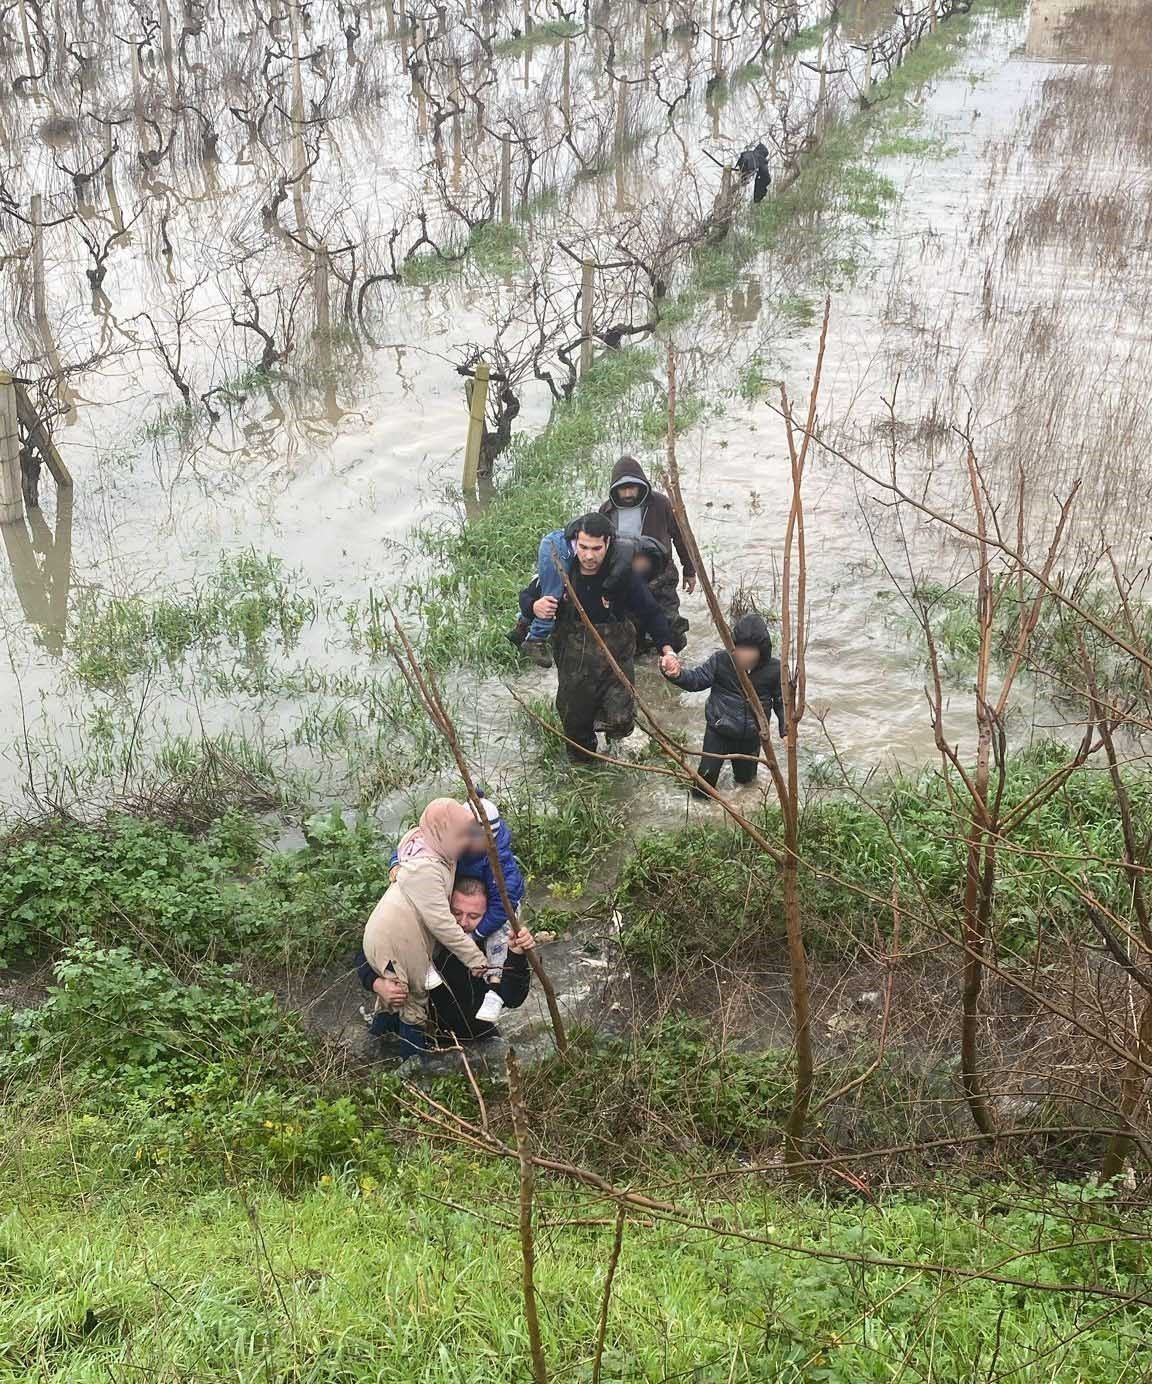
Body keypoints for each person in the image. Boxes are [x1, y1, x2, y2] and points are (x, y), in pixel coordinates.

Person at [517, 513, 680, 762]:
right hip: (574, 665)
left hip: (615, 662)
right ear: (575, 543)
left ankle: (616, 753)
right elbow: (526, 597)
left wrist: (667, 651)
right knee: (576, 730)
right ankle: (585, 771)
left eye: (596, 548)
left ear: (608, 543)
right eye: (583, 547)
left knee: (621, 720)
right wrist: (534, 606)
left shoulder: (622, 575)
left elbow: (651, 612)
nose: (589, 556)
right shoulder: (562, 569)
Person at [361, 799, 488, 1055]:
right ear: (440, 833)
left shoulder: (422, 847)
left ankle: (374, 1048)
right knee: (413, 1001)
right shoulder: (425, 870)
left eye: (469, 834)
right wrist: (475, 959)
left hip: (388, 935)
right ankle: (413, 1065)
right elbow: (443, 924)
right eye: (460, 835)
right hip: (398, 940)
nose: (466, 842)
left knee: (395, 998)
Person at [358, 877, 537, 1046]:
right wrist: (377, 984)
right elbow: (367, 954)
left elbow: (512, 999)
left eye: (473, 916)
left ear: (488, 916)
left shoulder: (494, 943)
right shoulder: (427, 926)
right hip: (416, 1024)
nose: (463, 922)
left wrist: (517, 955)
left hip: (471, 1033)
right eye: (456, 913)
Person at [662, 611, 785, 796]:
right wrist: (676, 674)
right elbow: (696, 680)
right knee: (704, 783)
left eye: (750, 649)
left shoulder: (774, 669)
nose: (744, 654)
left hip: (751, 736)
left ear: (762, 650)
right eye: (740, 648)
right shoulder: (721, 661)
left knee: (746, 784)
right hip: (719, 731)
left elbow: (781, 701)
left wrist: (785, 729)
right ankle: (699, 810)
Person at [599, 454, 697, 603]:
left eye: (632, 488)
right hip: (622, 579)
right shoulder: (606, 511)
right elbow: (599, 548)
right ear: (615, 489)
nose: (628, 494)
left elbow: (680, 537)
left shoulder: (661, 504)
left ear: (640, 486)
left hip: (661, 579)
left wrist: (689, 570)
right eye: (623, 489)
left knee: (667, 617)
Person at [631, 536, 689, 655]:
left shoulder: (664, 571)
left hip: (661, 566)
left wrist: (689, 569)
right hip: (632, 566)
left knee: (669, 624)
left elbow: (680, 536)